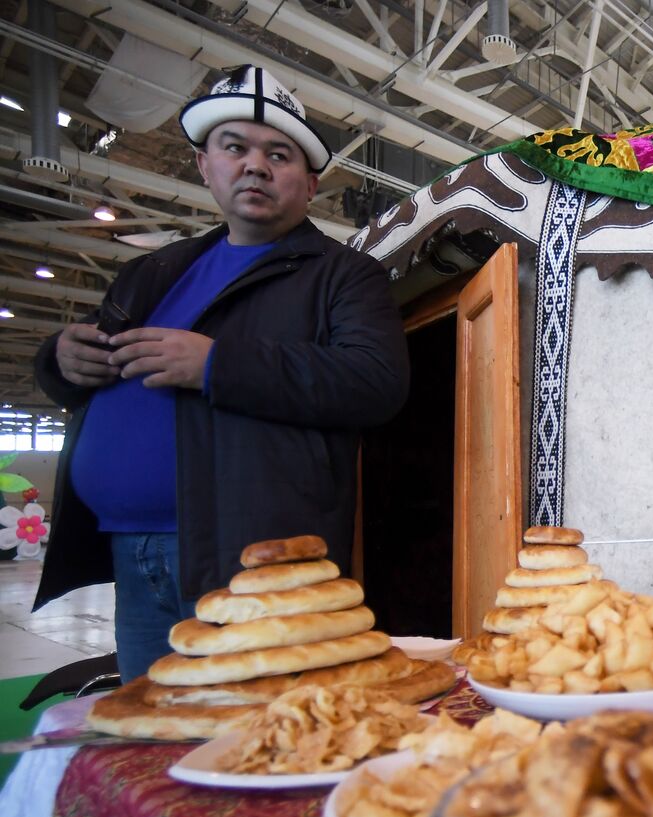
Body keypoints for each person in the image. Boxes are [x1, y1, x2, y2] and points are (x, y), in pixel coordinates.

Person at [32, 65, 410, 681]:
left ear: (310, 184)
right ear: (205, 165)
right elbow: (82, 369)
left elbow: (375, 381)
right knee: (157, 733)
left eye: (279, 154)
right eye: (235, 147)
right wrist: (60, 360)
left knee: (248, 737)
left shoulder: (342, 274)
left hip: (248, 550)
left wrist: (216, 364)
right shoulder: (153, 272)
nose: (255, 165)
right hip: (131, 545)